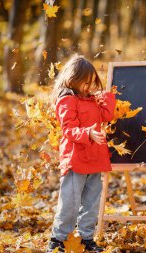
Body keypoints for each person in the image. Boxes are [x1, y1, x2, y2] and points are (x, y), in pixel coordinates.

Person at [46, 54, 116, 253]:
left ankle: (86, 237)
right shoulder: (66, 100)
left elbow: (106, 116)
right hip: (76, 158)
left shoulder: (91, 99)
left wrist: (107, 97)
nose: (89, 86)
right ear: (72, 78)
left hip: (95, 157)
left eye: (92, 83)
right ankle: (58, 239)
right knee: (70, 201)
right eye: (85, 83)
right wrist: (88, 133)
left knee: (92, 201)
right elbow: (68, 129)